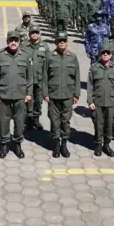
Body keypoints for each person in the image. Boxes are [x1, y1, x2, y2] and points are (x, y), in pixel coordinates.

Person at [0, 31, 33, 159]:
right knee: (4, 121)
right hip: (4, 95)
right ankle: (4, 144)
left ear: (19, 41)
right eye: (11, 40)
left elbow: (30, 76)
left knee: (19, 121)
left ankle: (17, 144)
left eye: (15, 40)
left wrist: (29, 93)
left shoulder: (26, 55)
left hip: (21, 95)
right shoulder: (0, 55)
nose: (13, 42)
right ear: (7, 42)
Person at [44, 31, 81, 159]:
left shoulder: (72, 57)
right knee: (54, 121)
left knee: (65, 120)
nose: (61, 42)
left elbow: (77, 76)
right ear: (55, 43)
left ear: (66, 42)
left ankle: (64, 144)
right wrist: (45, 93)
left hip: (67, 94)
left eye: (63, 40)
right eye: (59, 40)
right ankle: (56, 144)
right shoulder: (50, 56)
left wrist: (76, 93)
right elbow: (45, 76)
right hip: (53, 95)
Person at [87, 43, 114, 157]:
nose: (105, 54)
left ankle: (107, 145)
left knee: (109, 124)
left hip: (111, 102)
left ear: (111, 55)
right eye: (103, 53)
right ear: (100, 54)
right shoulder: (94, 68)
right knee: (98, 124)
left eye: (107, 53)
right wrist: (90, 101)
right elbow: (90, 86)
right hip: (98, 101)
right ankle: (98, 144)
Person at [23, 25, 47, 130]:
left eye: (36, 32)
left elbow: (49, 63)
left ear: (39, 34)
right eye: (33, 33)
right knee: (28, 100)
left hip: (40, 79)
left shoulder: (44, 46)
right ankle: (28, 119)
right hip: (28, 79)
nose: (35, 34)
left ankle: (36, 119)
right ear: (29, 34)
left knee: (38, 100)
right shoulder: (24, 46)